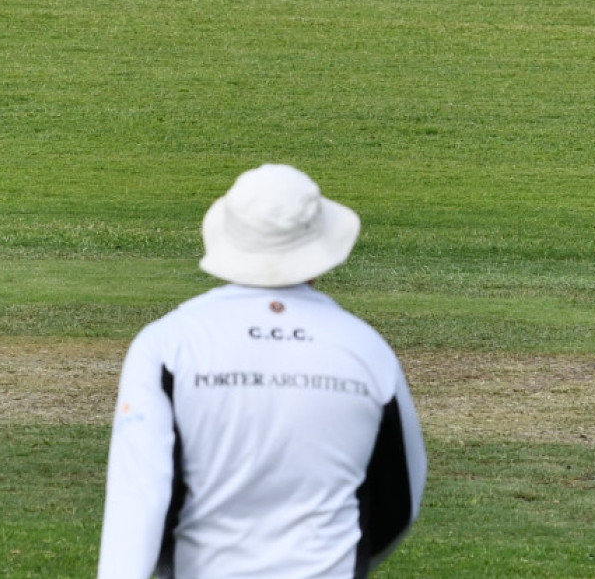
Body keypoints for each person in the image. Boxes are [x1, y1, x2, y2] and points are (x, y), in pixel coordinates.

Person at [97, 164, 426, 579]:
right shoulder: (365, 348)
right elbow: (399, 499)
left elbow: (138, 496)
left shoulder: (167, 344)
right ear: (319, 241)